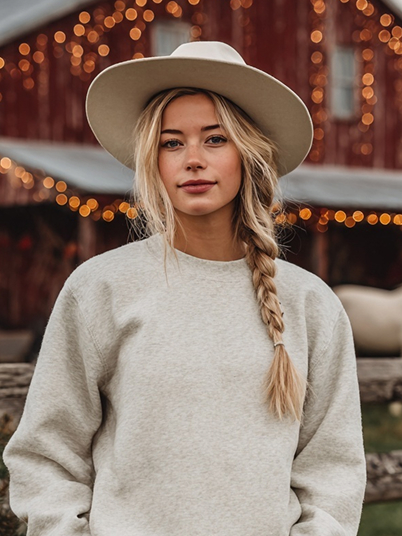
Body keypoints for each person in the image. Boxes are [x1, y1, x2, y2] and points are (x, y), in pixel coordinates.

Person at [3, 41, 367, 536]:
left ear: (249, 154)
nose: (192, 159)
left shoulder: (310, 305)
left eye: (215, 139)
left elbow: (333, 468)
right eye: (172, 142)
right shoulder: (101, 288)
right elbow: (47, 451)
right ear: (153, 160)